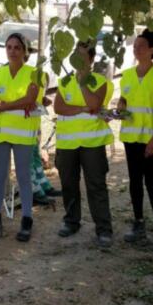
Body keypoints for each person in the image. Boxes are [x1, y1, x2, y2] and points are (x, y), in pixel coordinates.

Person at [118, 29, 153, 254]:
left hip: (152, 139)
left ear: (152, 49)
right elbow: (125, 99)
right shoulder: (127, 75)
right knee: (134, 181)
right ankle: (138, 221)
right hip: (131, 137)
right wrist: (120, 106)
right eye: (135, 45)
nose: (137, 48)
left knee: (152, 182)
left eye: (141, 45)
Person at [54, 40, 114, 247]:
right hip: (67, 144)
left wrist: (81, 84)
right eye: (76, 55)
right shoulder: (63, 81)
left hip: (92, 143)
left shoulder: (100, 81)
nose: (79, 60)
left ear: (91, 59)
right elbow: (59, 107)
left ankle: (104, 228)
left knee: (96, 185)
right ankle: (71, 221)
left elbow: (94, 104)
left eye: (83, 56)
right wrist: (80, 109)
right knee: (68, 184)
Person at [0, 33, 43, 241]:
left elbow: (30, 99)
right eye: (9, 47)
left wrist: (2, 106)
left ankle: (27, 220)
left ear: (25, 51)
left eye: (17, 47)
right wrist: (11, 104)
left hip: (23, 133)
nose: (12, 51)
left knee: (23, 177)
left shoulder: (35, 74)